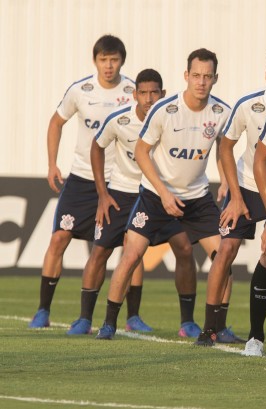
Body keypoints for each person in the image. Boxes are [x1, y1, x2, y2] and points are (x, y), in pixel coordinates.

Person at [95, 48, 231, 340]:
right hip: (156, 197)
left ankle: (214, 327)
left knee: (223, 257)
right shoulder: (165, 109)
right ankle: (108, 323)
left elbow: (226, 147)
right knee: (131, 255)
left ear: (215, 78)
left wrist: (227, 180)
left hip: (198, 198)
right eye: (196, 75)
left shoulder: (221, 112)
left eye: (207, 76)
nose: (201, 82)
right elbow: (142, 152)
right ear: (186, 76)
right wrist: (163, 192)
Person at [65, 69, 197, 336]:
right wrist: (102, 194)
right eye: (144, 93)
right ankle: (84, 318)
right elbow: (96, 146)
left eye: (154, 92)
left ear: (163, 92)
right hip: (121, 195)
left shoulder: (172, 118)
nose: (149, 98)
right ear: (135, 94)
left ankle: (182, 322)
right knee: (101, 251)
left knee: (183, 248)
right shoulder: (119, 119)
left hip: (156, 195)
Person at [193, 47, 266, 346]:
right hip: (248, 187)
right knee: (225, 250)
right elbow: (226, 147)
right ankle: (210, 327)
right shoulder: (248, 105)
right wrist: (235, 196)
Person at [29, 35, 135, 328]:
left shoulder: (133, 91)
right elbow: (55, 122)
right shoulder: (81, 90)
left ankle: (131, 316)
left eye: (114, 60)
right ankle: (42, 311)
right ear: (95, 61)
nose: (109, 66)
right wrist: (52, 164)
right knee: (59, 238)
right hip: (81, 179)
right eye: (104, 60)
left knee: (129, 245)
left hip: (119, 181)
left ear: (121, 61)